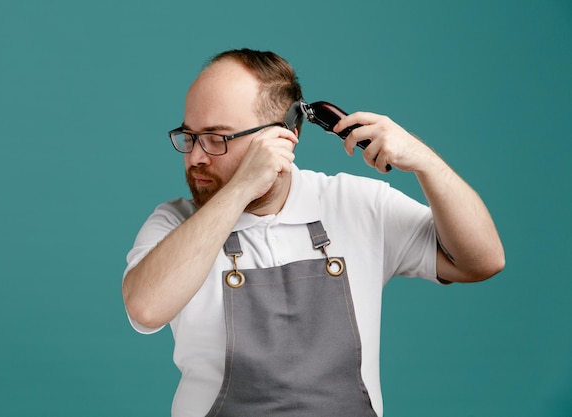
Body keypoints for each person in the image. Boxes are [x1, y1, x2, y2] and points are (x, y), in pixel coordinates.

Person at [121, 48, 504, 417]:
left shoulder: (358, 203)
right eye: (189, 136)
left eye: (218, 138)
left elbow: (483, 261)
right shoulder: (175, 224)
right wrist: (241, 188)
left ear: (285, 136)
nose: (197, 157)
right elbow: (145, 309)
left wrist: (426, 162)